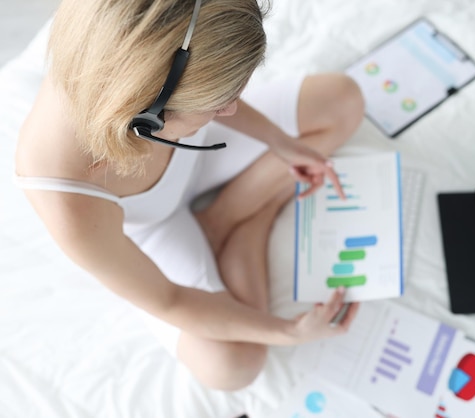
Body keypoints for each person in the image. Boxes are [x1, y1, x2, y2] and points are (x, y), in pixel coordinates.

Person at [14, 0, 363, 391]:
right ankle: (248, 221)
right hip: (156, 222)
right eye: (219, 103)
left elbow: (203, 84)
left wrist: (279, 142)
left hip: (191, 146)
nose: (232, 108)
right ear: (148, 116)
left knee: (343, 98)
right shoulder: (67, 199)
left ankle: (232, 218)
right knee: (233, 366)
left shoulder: (135, 54)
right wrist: (290, 331)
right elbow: (168, 300)